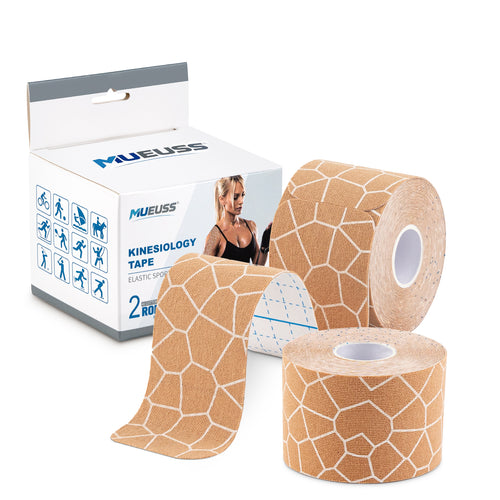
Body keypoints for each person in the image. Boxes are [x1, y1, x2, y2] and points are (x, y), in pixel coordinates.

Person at [204, 175, 272, 265]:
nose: (241, 201)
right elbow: (205, 271)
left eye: (242, 195)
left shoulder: (251, 226)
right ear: (222, 199)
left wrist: (264, 246)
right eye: (235, 197)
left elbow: (258, 266)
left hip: (248, 275)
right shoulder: (214, 236)